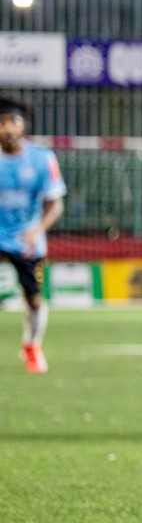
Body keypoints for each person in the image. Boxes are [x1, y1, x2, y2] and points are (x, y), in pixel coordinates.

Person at [0, 100, 66, 373]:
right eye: (1, 123)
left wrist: (37, 231)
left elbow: (55, 203)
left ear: (23, 125)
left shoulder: (42, 158)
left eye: (13, 122)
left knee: (34, 298)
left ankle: (32, 346)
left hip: (26, 239)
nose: (7, 129)